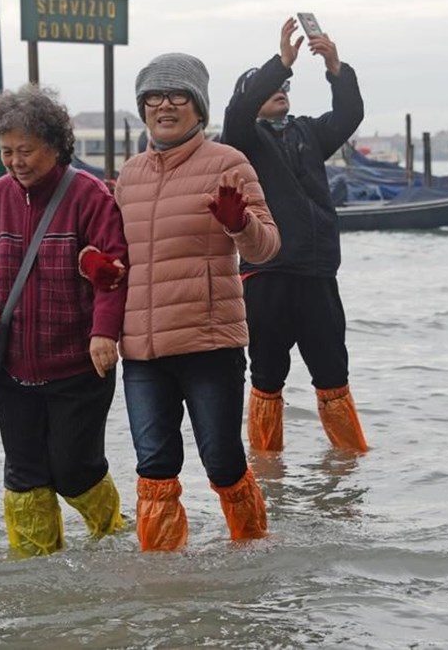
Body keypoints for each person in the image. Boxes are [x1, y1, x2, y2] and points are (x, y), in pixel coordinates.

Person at [0, 85, 129, 557]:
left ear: (55, 145)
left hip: (79, 364)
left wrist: (104, 333)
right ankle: (34, 579)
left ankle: (117, 538)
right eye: (6, 151)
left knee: (74, 470)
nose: (15, 161)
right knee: (23, 475)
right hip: (12, 365)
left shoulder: (89, 196)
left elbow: (113, 269)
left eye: (25, 150)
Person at [113, 53, 282, 551]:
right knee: (154, 466)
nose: (165, 106)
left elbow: (267, 246)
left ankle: (252, 554)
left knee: (223, 460)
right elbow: (126, 256)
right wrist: (104, 269)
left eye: (177, 95)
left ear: (199, 107)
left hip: (208, 342)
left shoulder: (228, 163)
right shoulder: (131, 175)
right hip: (142, 351)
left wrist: (239, 224)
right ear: (143, 107)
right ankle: (163, 578)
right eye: (154, 97)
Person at [221, 17, 369, 454]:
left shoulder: (309, 132)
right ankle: (267, 467)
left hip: (318, 274)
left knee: (333, 374)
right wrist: (281, 60)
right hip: (266, 276)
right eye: (270, 88)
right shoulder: (241, 141)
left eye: (285, 84)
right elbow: (237, 110)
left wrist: (337, 68)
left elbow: (350, 114)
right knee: (267, 376)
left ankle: (348, 464)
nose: (280, 89)